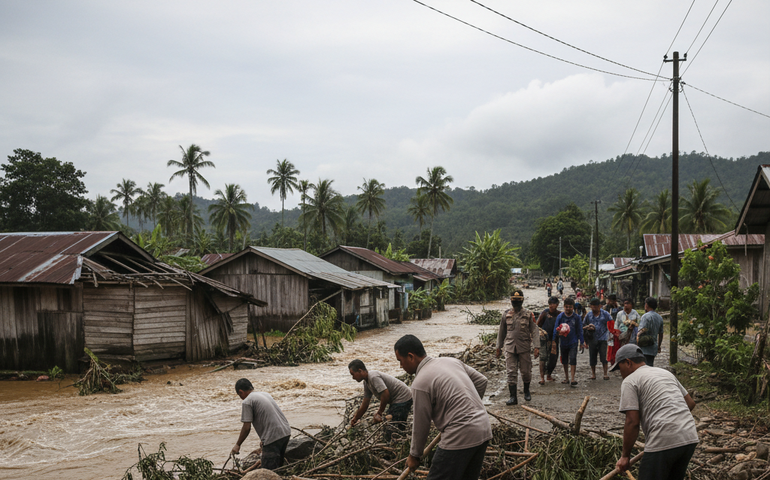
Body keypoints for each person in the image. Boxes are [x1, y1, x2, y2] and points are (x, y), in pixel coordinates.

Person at [395, 334, 492, 480]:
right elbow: (481, 381)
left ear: (410, 356)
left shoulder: (420, 383)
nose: (401, 366)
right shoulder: (451, 361)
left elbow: (421, 424)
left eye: (400, 361)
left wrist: (414, 455)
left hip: (459, 435)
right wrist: (470, 410)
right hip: (483, 429)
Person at [611, 344, 698, 480]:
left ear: (628, 362)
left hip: (664, 439)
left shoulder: (630, 381)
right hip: (689, 437)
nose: (619, 373)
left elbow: (632, 421)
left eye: (619, 367)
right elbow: (690, 403)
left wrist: (625, 456)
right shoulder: (664, 373)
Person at [231, 378, 292, 470]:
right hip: (285, 432)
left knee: (267, 471)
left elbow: (246, 427)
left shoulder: (247, 401)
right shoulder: (265, 394)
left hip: (273, 437)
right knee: (278, 467)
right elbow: (269, 416)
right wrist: (264, 439)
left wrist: (238, 445)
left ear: (240, 392)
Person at [496, 290, 539, 404]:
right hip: (510, 347)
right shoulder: (506, 314)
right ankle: (513, 397)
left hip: (524, 346)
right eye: (514, 301)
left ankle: (526, 391)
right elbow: (501, 331)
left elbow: (534, 331)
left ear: (522, 301)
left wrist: (536, 347)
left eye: (518, 301)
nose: (515, 304)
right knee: (511, 372)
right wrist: (498, 347)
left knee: (525, 371)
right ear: (511, 301)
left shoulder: (529, 314)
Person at [348, 359, 413, 433]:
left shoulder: (373, 377)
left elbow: (385, 394)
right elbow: (365, 402)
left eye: (353, 374)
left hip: (403, 397)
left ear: (360, 371)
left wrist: (379, 412)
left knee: (394, 427)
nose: (353, 378)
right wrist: (356, 418)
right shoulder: (366, 383)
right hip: (396, 400)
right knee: (391, 425)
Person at [553, 297, 584, 387]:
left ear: (573, 307)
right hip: (563, 342)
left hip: (573, 341)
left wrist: (582, 342)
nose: (568, 309)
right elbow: (556, 329)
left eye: (570, 307)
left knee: (573, 359)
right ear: (564, 307)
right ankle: (566, 377)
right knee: (564, 360)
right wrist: (554, 341)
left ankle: (573, 378)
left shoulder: (577, 317)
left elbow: (580, 330)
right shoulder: (560, 316)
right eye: (566, 307)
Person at [582, 298, 612, 380]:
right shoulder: (589, 315)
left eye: (596, 306)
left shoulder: (605, 314)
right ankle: (593, 374)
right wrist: (588, 327)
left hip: (603, 338)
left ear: (600, 306)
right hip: (592, 338)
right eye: (592, 306)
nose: (594, 308)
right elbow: (583, 326)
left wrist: (610, 335)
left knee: (604, 357)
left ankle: (605, 373)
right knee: (592, 357)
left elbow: (611, 324)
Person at [536, 296, 561, 384]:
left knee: (553, 358)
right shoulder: (544, 313)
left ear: (557, 305)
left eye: (553, 304)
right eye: (550, 304)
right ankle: (542, 378)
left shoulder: (559, 314)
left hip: (554, 340)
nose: (551, 306)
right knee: (543, 358)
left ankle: (549, 375)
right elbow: (537, 325)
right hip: (544, 339)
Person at [638, 297, 665, 366]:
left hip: (644, 347)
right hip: (653, 347)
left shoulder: (645, 316)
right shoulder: (659, 317)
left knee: (644, 366)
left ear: (646, 305)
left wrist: (637, 337)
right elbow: (661, 333)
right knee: (650, 364)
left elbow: (642, 330)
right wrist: (659, 346)